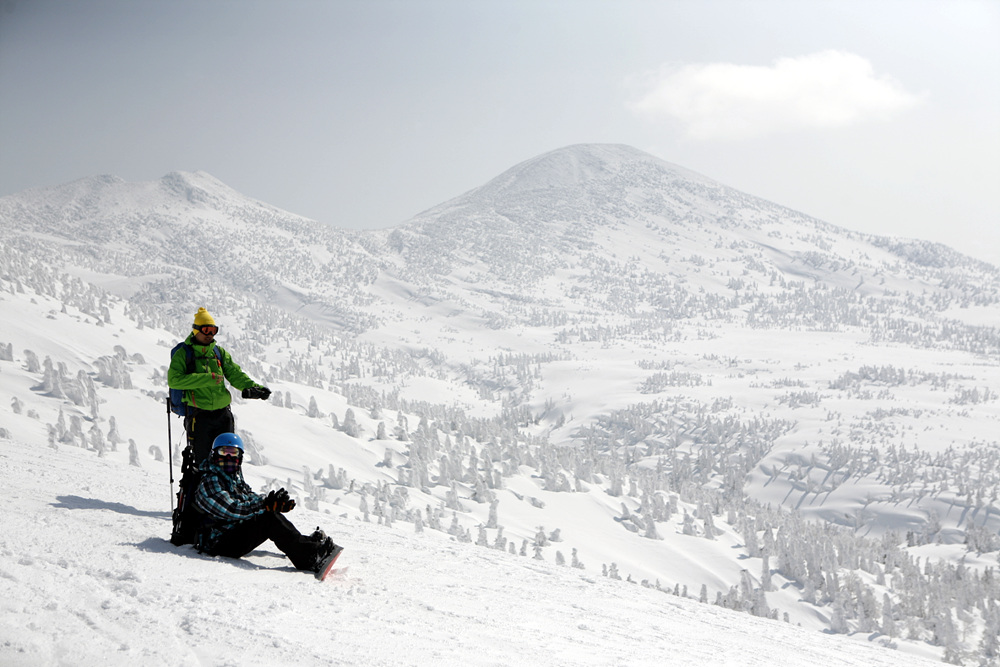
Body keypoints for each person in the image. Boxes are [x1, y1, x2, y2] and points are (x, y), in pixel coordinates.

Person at [193, 433, 342, 575]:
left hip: (229, 533)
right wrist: (264, 504)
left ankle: (307, 545)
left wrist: (272, 503)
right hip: (217, 542)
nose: (228, 457)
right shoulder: (210, 481)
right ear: (214, 454)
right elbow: (232, 509)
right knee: (267, 519)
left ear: (240, 457)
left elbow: (250, 497)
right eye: (224, 452)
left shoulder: (232, 478)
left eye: (233, 453)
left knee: (269, 513)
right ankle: (309, 558)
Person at [167, 307, 271, 465]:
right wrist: (207, 379)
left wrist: (252, 387)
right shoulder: (183, 353)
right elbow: (174, 380)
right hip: (199, 416)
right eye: (206, 330)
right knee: (202, 462)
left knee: (228, 460)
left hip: (223, 415)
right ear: (196, 330)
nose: (210, 334)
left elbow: (234, 373)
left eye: (213, 330)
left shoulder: (218, 352)